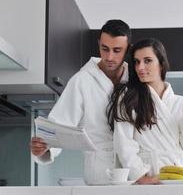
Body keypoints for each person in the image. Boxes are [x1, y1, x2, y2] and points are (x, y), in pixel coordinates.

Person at [30, 19, 131, 185]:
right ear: (99, 44)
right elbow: (59, 125)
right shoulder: (81, 81)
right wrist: (43, 148)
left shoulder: (136, 80)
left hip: (134, 174)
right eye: (104, 49)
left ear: (128, 49)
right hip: (99, 175)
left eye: (117, 50)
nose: (109, 57)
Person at [107, 38, 183, 184]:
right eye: (137, 62)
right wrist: (140, 176)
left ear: (161, 63)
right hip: (149, 177)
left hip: (180, 177)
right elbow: (123, 142)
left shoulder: (182, 103)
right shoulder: (128, 98)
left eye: (147, 61)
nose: (140, 67)